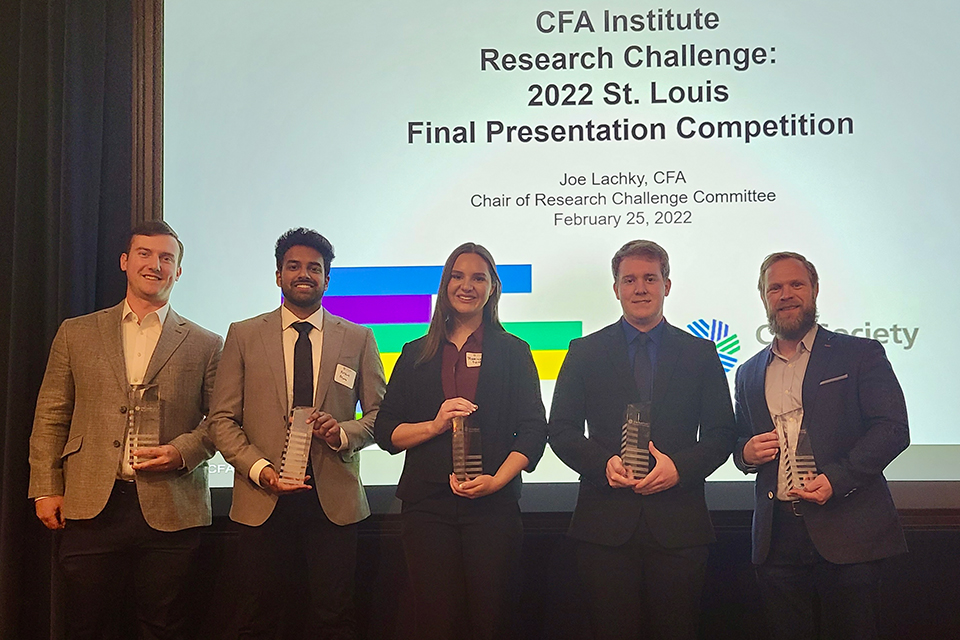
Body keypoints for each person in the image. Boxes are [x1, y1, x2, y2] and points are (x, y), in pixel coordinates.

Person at [28, 220, 222, 640]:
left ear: (179, 271)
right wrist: (46, 487)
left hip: (172, 507)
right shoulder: (76, 332)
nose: (155, 265)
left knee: (163, 626)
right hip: (91, 503)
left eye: (166, 258)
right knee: (86, 624)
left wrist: (182, 451)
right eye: (145, 254)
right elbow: (51, 414)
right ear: (124, 262)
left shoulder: (207, 343)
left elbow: (220, 421)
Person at [548, 239, 736, 640]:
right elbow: (560, 429)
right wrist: (603, 464)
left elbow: (722, 433)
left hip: (679, 526)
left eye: (650, 278)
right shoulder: (584, 351)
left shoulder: (701, 353)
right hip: (604, 527)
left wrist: (679, 468)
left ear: (667, 285)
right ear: (615, 288)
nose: (640, 288)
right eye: (629, 279)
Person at [207, 227, 385, 640]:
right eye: (293, 266)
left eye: (314, 268)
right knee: (258, 619)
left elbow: (380, 416)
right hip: (261, 499)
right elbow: (221, 420)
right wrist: (260, 469)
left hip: (333, 504)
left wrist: (341, 432)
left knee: (333, 618)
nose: (303, 274)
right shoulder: (243, 334)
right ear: (278, 275)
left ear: (327, 279)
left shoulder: (357, 338)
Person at [374, 242, 547, 640]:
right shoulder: (415, 353)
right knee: (436, 623)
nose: (466, 285)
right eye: (458, 275)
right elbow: (387, 432)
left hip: (494, 507)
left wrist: (497, 480)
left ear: (492, 289)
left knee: (493, 620)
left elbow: (535, 430)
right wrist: (434, 425)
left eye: (478, 278)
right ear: (445, 284)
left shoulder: (514, 352)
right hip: (427, 509)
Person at [733, 251, 909, 640]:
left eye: (796, 284)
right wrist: (745, 454)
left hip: (849, 533)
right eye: (774, 287)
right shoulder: (747, 372)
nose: (786, 294)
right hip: (775, 539)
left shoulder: (860, 354)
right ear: (763, 297)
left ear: (814, 290)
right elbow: (739, 441)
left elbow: (893, 429)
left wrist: (837, 478)